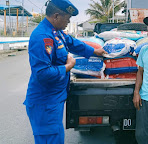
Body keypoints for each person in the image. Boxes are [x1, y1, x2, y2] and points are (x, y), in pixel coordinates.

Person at [23, 0, 106, 143]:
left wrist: (95, 51)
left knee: (56, 138)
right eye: (67, 18)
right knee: (51, 140)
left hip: (53, 100)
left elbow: (73, 43)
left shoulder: (56, 32)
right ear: (56, 16)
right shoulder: (42, 36)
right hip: (45, 103)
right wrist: (68, 66)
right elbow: (42, 73)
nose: (68, 21)